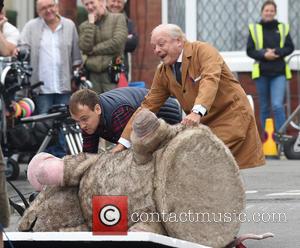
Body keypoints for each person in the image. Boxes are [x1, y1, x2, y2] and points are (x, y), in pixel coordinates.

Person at [112, 23, 265, 170]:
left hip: (230, 117)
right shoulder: (163, 72)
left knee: (199, 158)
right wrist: (123, 143)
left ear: (178, 41)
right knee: (199, 163)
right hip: (203, 125)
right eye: (154, 47)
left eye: (161, 44)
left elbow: (209, 80)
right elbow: (146, 108)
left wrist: (197, 112)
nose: (157, 50)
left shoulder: (203, 51)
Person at [20, 0, 82, 157]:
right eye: (43, 8)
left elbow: (76, 55)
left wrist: (77, 76)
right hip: (42, 86)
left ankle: (61, 156)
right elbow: (23, 50)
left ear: (57, 6)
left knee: (65, 123)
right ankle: (45, 157)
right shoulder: (30, 27)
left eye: (50, 6)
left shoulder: (69, 26)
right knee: (44, 125)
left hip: (64, 85)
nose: (47, 10)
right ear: (37, 11)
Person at [69, 87, 181, 153]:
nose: (82, 126)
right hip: (142, 116)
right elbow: (89, 153)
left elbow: (130, 151)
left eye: (84, 119)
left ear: (97, 109)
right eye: (77, 121)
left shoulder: (119, 113)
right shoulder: (88, 117)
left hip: (167, 113)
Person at [246, 0, 294, 132]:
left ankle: (281, 140)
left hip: (279, 73)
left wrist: (277, 52)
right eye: (266, 10)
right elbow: (249, 50)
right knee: (265, 108)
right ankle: (269, 141)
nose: (269, 13)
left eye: (271, 10)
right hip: (261, 74)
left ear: (275, 12)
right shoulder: (254, 28)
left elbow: (290, 47)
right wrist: (264, 54)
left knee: (277, 105)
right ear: (262, 12)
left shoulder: (282, 28)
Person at [79, 0, 128, 94]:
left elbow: (117, 43)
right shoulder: (84, 26)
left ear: (101, 2)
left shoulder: (118, 18)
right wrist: (91, 24)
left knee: (114, 105)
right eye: (86, 4)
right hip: (93, 76)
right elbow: (84, 47)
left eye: (92, 2)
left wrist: (93, 50)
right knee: (96, 106)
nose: (89, 6)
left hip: (112, 74)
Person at [106, 0, 138, 80]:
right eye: (113, 1)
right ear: (106, 2)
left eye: (119, 2)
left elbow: (132, 45)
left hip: (121, 72)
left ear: (124, 4)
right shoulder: (99, 20)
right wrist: (123, 39)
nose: (116, 4)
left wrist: (111, 40)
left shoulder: (128, 22)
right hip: (102, 71)